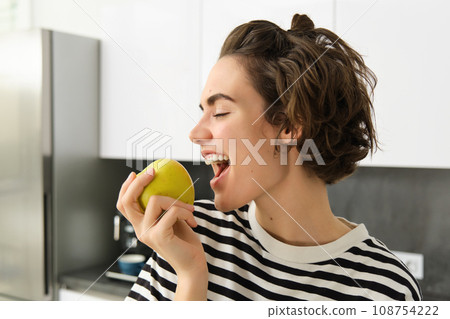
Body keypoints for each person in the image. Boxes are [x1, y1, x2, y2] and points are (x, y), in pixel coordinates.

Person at [117, 13, 422, 301]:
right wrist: (190, 276)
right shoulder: (188, 236)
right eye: (203, 112)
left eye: (220, 111)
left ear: (289, 125)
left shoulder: (384, 288)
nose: (196, 133)